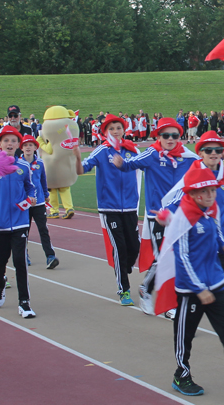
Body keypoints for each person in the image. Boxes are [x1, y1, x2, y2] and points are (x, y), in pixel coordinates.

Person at [157, 168, 224, 397]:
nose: (211, 195)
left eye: (213, 190)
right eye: (206, 191)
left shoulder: (210, 211)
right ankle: (181, 374)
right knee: (184, 335)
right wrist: (199, 289)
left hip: (216, 283)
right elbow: (184, 257)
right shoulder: (183, 219)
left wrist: (222, 244)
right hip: (192, 290)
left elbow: (215, 233)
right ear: (194, 194)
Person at [161, 131, 224, 347]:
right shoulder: (192, 174)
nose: (213, 153)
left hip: (222, 242)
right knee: (193, 289)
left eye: (218, 150)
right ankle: (187, 326)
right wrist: (169, 216)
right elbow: (173, 202)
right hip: (196, 243)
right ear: (200, 153)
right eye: (208, 150)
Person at [111, 117, 198, 315]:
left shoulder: (188, 157)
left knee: (180, 258)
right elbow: (130, 165)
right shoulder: (152, 154)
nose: (170, 139)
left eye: (174, 135)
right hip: (157, 217)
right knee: (164, 259)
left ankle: (156, 292)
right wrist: (120, 163)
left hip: (179, 217)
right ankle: (158, 297)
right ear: (158, 136)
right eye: (165, 135)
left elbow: (206, 169)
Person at [74, 114, 141, 305]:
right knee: (119, 248)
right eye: (111, 128)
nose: (116, 131)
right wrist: (78, 157)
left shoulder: (132, 150)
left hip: (130, 207)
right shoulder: (101, 151)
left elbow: (148, 165)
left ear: (124, 129)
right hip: (109, 207)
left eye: (118, 128)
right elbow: (81, 170)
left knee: (134, 246)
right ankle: (124, 290)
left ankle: (124, 268)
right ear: (105, 131)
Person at [0, 126, 38, 319]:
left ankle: (24, 303)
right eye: (6, 141)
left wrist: (31, 198)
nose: (10, 144)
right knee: (0, 262)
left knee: (20, 261)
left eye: (13, 141)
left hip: (20, 222)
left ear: (18, 145)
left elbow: (31, 188)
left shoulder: (23, 167)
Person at [20, 135, 60, 269]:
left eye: (30, 145)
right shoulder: (18, 164)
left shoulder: (40, 163)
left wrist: (46, 194)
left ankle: (50, 256)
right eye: (25, 145)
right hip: (24, 203)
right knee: (24, 230)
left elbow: (43, 180)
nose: (28, 148)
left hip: (39, 202)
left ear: (35, 147)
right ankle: (23, 254)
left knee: (43, 229)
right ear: (22, 148)